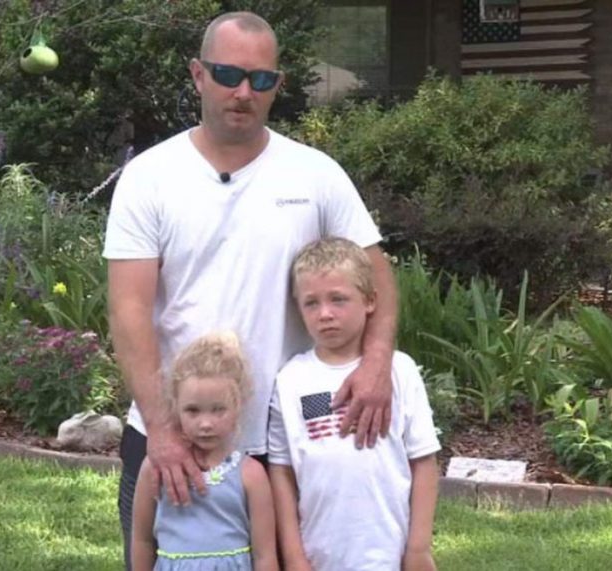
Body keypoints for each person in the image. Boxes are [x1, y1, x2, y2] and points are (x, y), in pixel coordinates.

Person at [103, 11, 398, 569]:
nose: (244, 91)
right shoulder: (150, 176)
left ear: (278, 86)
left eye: (261, 80)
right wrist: (164, 433)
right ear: (197, 74)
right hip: (175, 432)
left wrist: (377, 361)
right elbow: (129, 308)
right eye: (228, 75)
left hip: (287, 436)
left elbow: (377, 276)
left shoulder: (315, 174)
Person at [268, 238, 440, 570]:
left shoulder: (399, 371)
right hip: (320, 554)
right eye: (311, 303)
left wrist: (418, 548)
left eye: (338, 299)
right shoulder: (290, 380)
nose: (325, 314)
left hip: (388, 551)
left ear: (370, 300)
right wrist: (293, 555)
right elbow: (282, 472)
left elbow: (424, 462)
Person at [130, 333, 278, 571]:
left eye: (218, 410)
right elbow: (142, 540)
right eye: (193, 410)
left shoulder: (250, 474)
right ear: (175, 407)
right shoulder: (155, 468)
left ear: (238, 406)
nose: (206, 423)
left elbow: (265, 555)